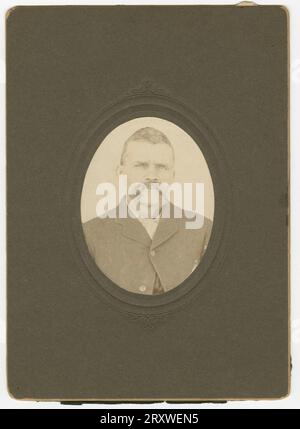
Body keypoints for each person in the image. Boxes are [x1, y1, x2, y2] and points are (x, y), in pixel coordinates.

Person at [82, 127, 212, 295]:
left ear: (173, 176)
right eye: (141, 165)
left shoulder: (204, 231)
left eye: (162, 167)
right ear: (121, 173)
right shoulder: (90, 234)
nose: (152, 175)